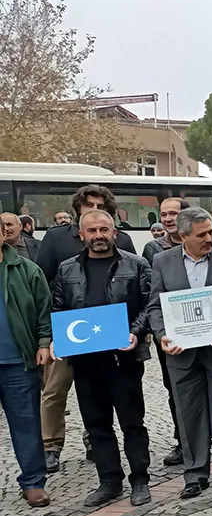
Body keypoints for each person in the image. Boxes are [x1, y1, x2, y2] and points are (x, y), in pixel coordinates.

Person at [147, 206, 212, 498]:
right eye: (202, 234)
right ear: (182, 236)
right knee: (188, 413)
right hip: (181, 353)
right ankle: (195, 473)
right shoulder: (161, 261)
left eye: (211, 231)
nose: (209, 238)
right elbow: (155, 306)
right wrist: (162, 335)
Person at [50, 209, 153, 508]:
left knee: (132, 422)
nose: (98, 236)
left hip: (123, 358)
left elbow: (149, 304)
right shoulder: (67, 269)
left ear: (114, 232)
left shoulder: (136, 265)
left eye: (104, 230)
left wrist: (136, 331)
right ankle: (109, 480)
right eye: (92, 231)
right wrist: (58, 337)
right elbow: (57, 308)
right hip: (85, 361)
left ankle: (139, 479)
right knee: (97, 424)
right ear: (81, 235)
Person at [35, 185, 136, 473]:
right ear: (78, 208)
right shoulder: (56, 237)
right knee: (55, 390)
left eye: (100, 205)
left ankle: (94, 440)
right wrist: (49, 333)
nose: (94, 209)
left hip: (109, 332)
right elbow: (44, 284)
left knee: (99, 393)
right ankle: (51, 446)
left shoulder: (124, 239)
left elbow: (132, 284)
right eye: (88, 204)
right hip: (69, 330)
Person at [144, 198, 200, 468]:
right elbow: (152, 297)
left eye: (173, 214)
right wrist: (159, 333)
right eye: (163, 214)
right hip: (173, 337)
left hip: (208, 334)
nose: (167, 219)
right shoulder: (154, 251)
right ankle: (184, 441)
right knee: (176, 391)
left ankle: (209, 438)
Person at [0, 227, 52, 507]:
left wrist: (44, 342)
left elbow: (44, 309)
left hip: (18, 362)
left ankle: (33, 482)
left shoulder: (26, 269)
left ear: (2, 235)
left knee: (27, 424)